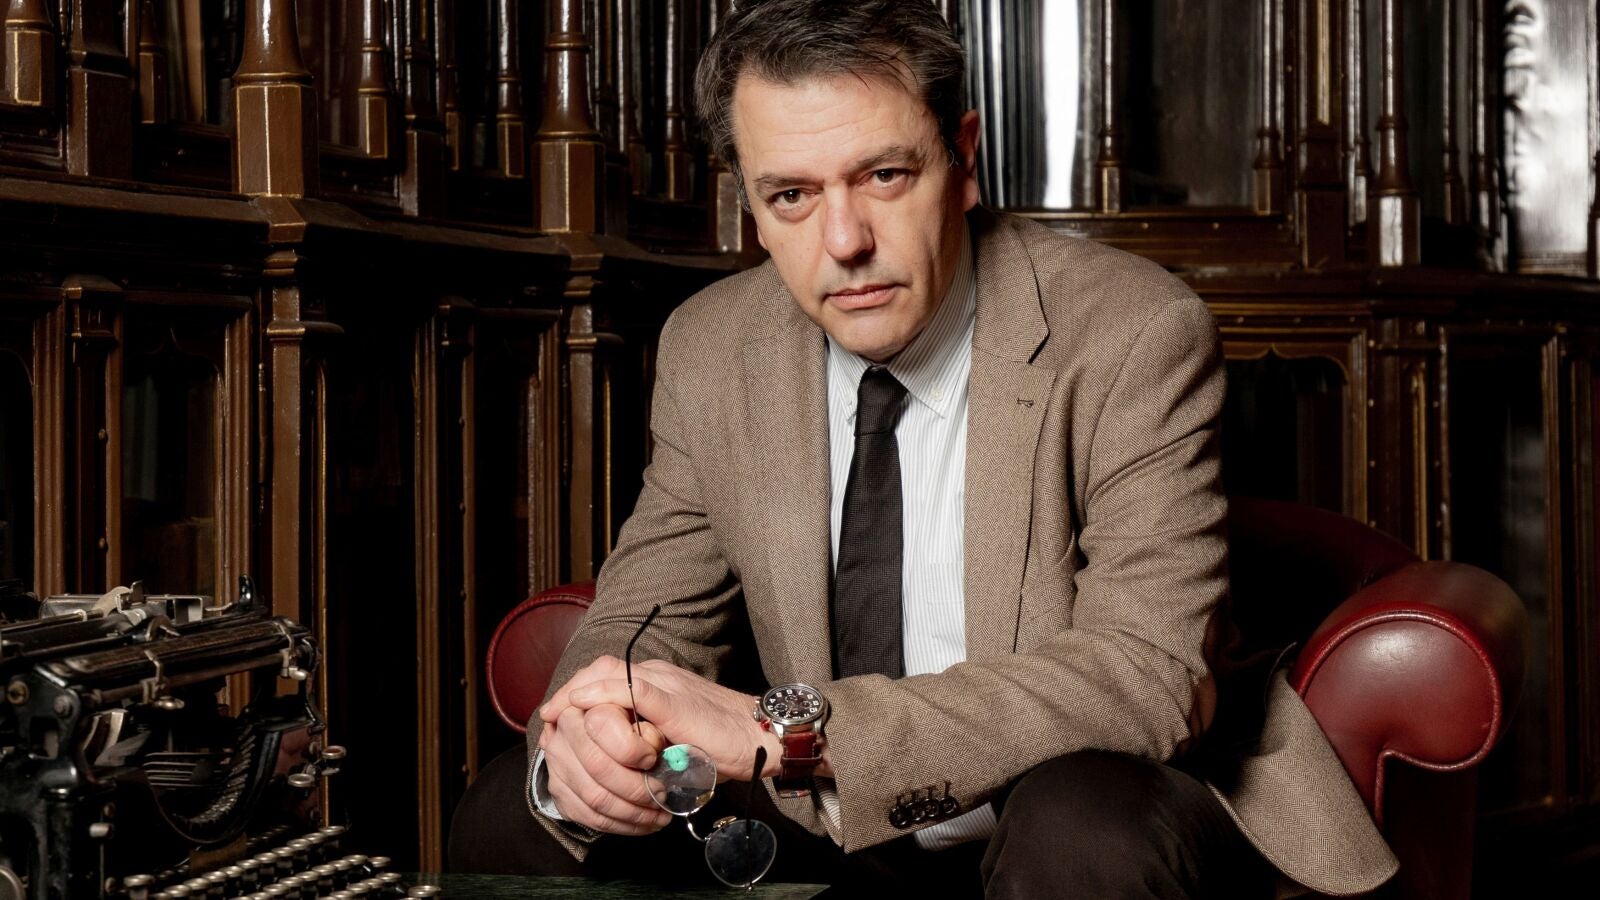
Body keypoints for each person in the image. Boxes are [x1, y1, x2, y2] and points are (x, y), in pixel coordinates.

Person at [450, 2, 1396, 896]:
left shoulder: (1132, 332)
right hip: (817, 819)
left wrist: (789, 734)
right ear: (751, 206)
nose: (844, 241)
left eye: (884, 176)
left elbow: (1148, 675)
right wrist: (595, 736)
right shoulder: (714, 348)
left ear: (963, 158)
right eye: (792, 195)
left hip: (1071, 802)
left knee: (1083, 822)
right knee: (516, 809)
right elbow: (646, 617)